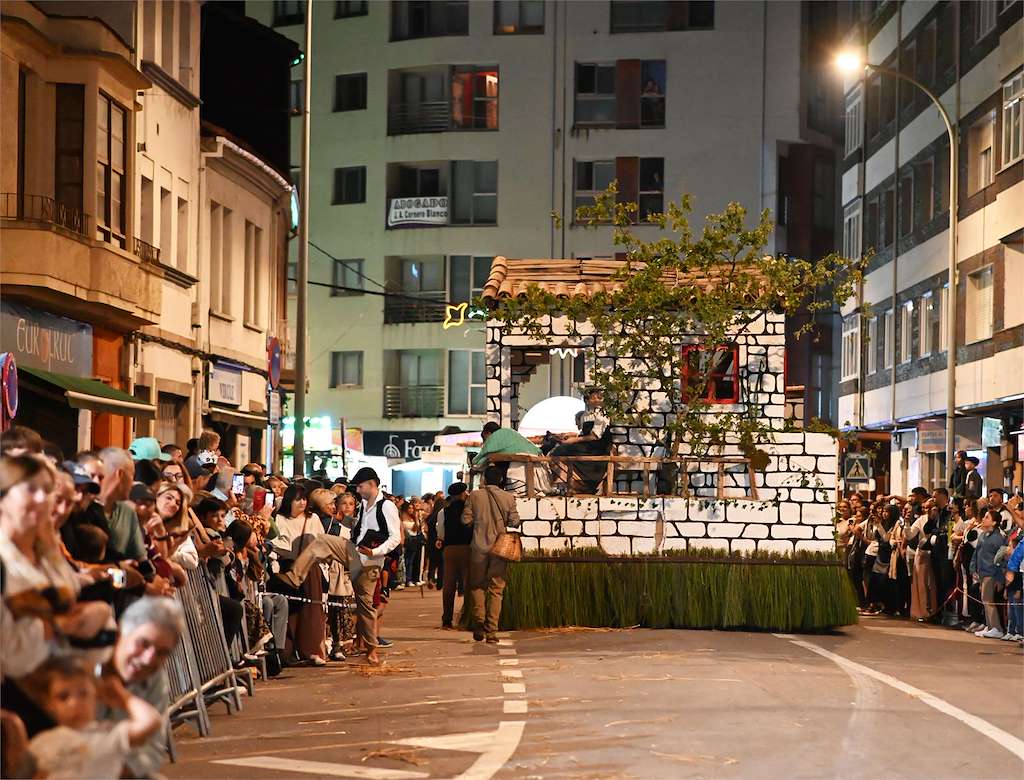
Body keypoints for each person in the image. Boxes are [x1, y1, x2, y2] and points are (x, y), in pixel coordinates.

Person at [272, 467, 400, 666]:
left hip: (371, 560)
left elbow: (395, 538)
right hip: (354, 550)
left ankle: (371, 649)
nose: (358, 490)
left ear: (372, 484)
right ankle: (295, 576)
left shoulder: (387, 506)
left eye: (360, 486)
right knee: (322, 541)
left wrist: (374, 552)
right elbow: (360, 528)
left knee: (365, 604)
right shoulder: (365, 504)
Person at [23, 656, 161, 780]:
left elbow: (150, 722)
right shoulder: (41, 743)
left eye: (83, 694)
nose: (74, 703)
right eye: (63, 697)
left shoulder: (110, 734)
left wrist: (124, 697)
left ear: (95, 697)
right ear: (49, 704)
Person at [100, 596, 183, 778]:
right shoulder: (85, 662)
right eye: (143, 643)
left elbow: (152, 752)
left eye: (162, 653)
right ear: (121, 633)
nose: (148, 659)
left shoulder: (155, 678)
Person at [269, 484, 327, 666]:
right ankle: (287, 652)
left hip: (310, 569)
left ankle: (312, 650)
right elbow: (276, 543)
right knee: (290, 610)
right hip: (287, 568)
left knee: (311, 610)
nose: (302, 503)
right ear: (289, 501)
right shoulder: (279, 518)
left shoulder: (313, 518)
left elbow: (322, 541)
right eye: (297, 499)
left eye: (304, 499)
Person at [461, 466, 520, 643]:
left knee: (477, 586)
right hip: (500, 549)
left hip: (478, 547)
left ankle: (478, 623)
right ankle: (491, 631)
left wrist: (479, 523)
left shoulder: (475, 496)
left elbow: (465, 519)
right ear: (501, 480)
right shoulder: (508, 498)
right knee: (496, 589)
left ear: (484, 480)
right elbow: (515, 522)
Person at [549, 388, 612, 492]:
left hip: (597, 447)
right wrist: (570, 436)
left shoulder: (602, 415)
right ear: (587, 400)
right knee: (556, 449)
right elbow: (584, 434)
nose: (597, 401)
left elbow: (595, 436)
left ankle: (582, 483)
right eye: (593, 398)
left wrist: (573, 440)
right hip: (587, 444)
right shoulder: (584, 415)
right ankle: (562, 481)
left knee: (562, 450)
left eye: (599, 398)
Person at [969, 508, 1008, 639]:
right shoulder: (982, 535)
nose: (984, 519)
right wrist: (973, 567)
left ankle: (996, 627)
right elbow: (976, 553)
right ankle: (990, 626)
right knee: (984, 600)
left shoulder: (998, 538)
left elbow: (1001, 560)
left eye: (987, 517)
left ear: (994, 522)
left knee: (988, 600)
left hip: (991, 573)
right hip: (982, 572)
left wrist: (1000, 578)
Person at [438, 482, 472, 629]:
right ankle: (468, 618)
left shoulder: (443, 512)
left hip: (449, 550)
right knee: (469, 584)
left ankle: (447, 620)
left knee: (449, 585)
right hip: (467, 549)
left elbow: (441, 534)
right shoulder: (469, 510)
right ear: (463, 493)